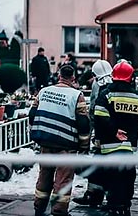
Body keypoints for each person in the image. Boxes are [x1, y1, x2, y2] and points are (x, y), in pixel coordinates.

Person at [94, 60, 138, 216]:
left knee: (112, 178)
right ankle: (125, 205)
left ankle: (113, 205)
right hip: (128, 147)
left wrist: (113, 130)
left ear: (114, 77)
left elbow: (99, 117)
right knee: (128, 177)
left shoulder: (106, 95)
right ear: (131, 78)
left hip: (108, 147)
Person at [29, 65, 90, 216]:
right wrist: (83, 145)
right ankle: (58, 211)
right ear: (73, 78)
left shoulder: (43, 91)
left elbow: (32, 114)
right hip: (66, 145)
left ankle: (39, 208)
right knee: (63, 180)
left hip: (46, 142)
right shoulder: (77, 96)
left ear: (59, 76)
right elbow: (83, 123)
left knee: (44, 175)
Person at [73, 59, 113, 208]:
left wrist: (90, 132)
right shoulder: (117, 83)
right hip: (117, 135)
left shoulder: (98, 85)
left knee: (98, 165)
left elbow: (93, 110)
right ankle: (110, 198)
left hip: (101, 134)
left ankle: (93, 196)